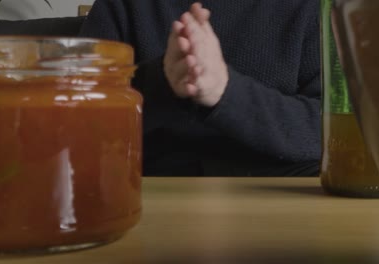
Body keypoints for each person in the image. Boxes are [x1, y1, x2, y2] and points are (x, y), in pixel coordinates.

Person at [79, 0, 321, 176]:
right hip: (150, 185)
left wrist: (226, 91)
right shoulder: (122, 6)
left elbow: (332, 130)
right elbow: (82, 119)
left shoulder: (315, 8)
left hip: (277, 190)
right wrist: (165, 79)